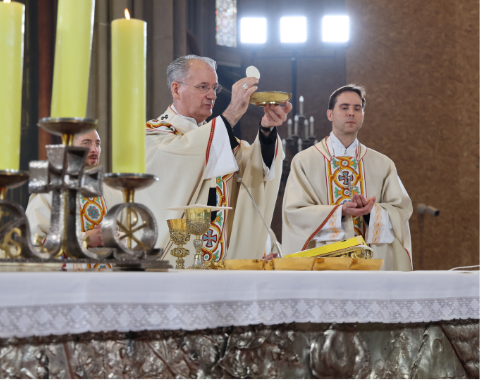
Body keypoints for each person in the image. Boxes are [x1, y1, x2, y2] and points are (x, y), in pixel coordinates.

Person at [142, 55, 289, 265]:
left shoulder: (218, 138)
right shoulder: (153, 135)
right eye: (203, 87)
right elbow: (182, 159)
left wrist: (266, 129)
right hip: (176, 261)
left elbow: (253, 169)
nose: (212, 95)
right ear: (176, 89)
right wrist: (232, 113)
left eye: (214, 88)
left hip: (223, 259)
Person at [282, 85, 412, 270]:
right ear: (330, 114)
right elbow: (294, 213)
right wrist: (339, 211)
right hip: (322, 264)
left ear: (363, 115)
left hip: (371, 262)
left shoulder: (383, 164)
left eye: (357, 108)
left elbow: (401, 210)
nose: (351, 113)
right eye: (344, 107)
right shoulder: (304, 161)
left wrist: (372, 212)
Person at [22, 130, 125, 271]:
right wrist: (85, 238)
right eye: (86, 143)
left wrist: (117, 238)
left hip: (109, 279)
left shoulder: (114, 194)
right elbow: (34, 245)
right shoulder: (48, 195)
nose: (94, 149)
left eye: (97, 144)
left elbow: (131, 240)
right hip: (66, 280)